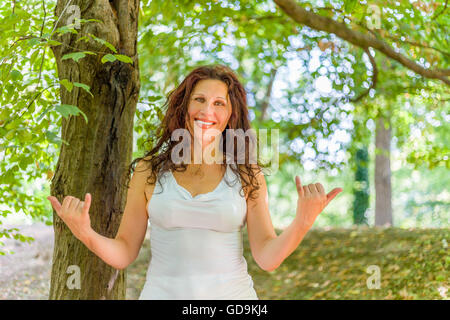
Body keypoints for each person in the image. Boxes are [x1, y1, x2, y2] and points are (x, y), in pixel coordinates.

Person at [47, 64, 343, 300]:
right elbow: (124, 252)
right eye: (199, 100)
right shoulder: (148, 171)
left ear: (231, 115)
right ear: (183, 106)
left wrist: (303, 221)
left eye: (219, 103)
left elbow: (266, 257)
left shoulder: (246, 174)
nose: (207, 111)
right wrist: (85, 233)